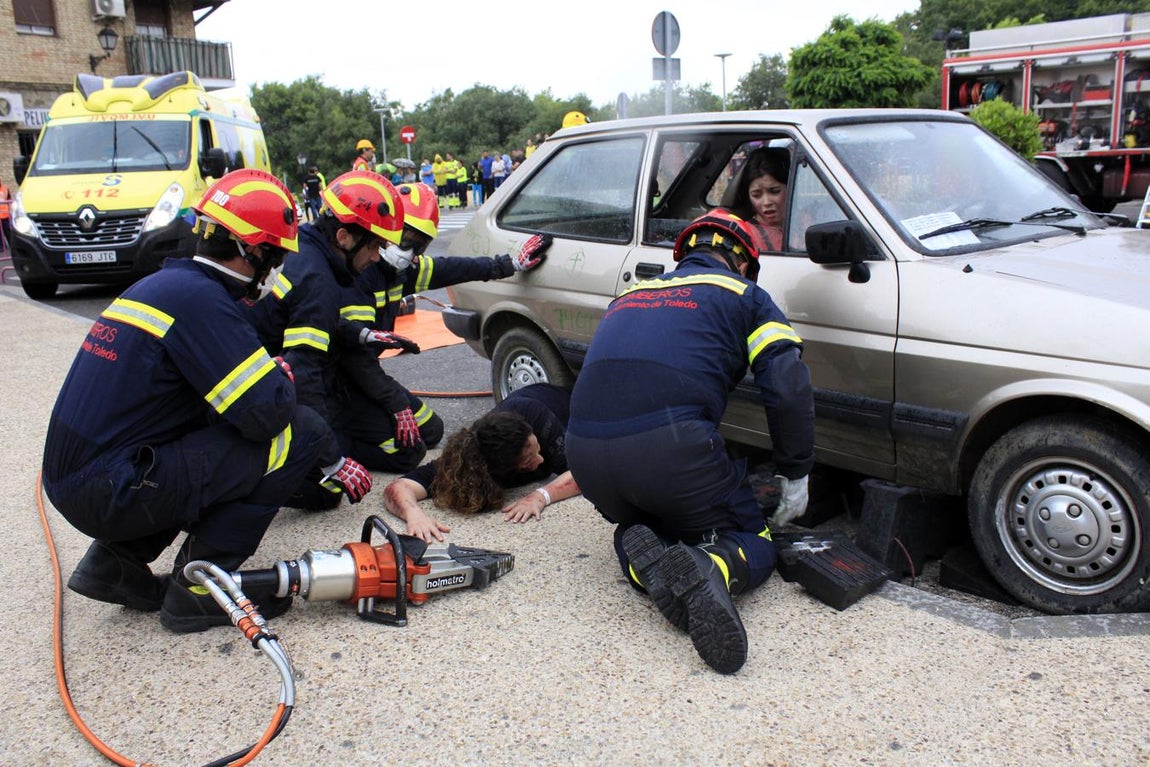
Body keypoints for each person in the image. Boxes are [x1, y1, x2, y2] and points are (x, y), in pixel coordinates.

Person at [41, 169, 373, 633]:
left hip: (80, 478)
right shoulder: (205, 301)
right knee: (300, 435)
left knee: (203, 445)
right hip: (112, 488)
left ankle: (113, 565)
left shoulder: (166, 284)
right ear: (252, 250)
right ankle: (200, 590)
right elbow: (269, 415)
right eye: (276, 256)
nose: (277, 270)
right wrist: (278, 379)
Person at [565, 208, 815, 675]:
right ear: (743, 263)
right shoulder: (745, 294)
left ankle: (644, 564)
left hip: (585, 456)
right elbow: (787, 384)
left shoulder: (629, 296)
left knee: (639, 524)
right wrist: (796, 470)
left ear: (684, 255)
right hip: (669, 449)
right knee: (753, 538)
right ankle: (712, 566)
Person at [339, 182, 552, 473]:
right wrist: (396, 404)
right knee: (407, 450)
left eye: (419, 243)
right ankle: (333, 441)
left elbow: (452, 267)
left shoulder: (399, 270)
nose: (410, 250)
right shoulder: (361, 274)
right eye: (406, 238)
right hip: (342, 381)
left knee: (430, 430)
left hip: (363, 378)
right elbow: (355, 361)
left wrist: (510, 264)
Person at [245, 169, 403, 510]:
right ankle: (245, 485)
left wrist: (360, 333)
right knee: (327, 492)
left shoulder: (304, 246)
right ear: (344, 237)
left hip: (251, 374)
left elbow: (303, 320)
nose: (376, 257)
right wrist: (332, 458)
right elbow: (304, 374)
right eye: (374, 245)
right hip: (256, 394)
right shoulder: (319, 280)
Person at [383, 384, 579, 542]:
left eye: (538, 449)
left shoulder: (537, 420)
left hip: (577, 405)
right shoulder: (472, 457)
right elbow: (399, 487)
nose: (541, 459)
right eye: (529, 461)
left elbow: (583, 474)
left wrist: (541, 496)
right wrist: (413, 514)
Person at [729, 147, 790, 251]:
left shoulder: (806, 220)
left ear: (790, 187)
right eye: (756, 195)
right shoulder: (745, 235)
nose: (766, 202)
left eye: (774, 191)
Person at [0, 174, 11, 251]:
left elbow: (9, 199)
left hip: (5, 214)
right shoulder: (5, 188)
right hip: (4, 213)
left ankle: (10, 245)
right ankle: (2, 247)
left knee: (7, 231)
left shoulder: (5, 188)